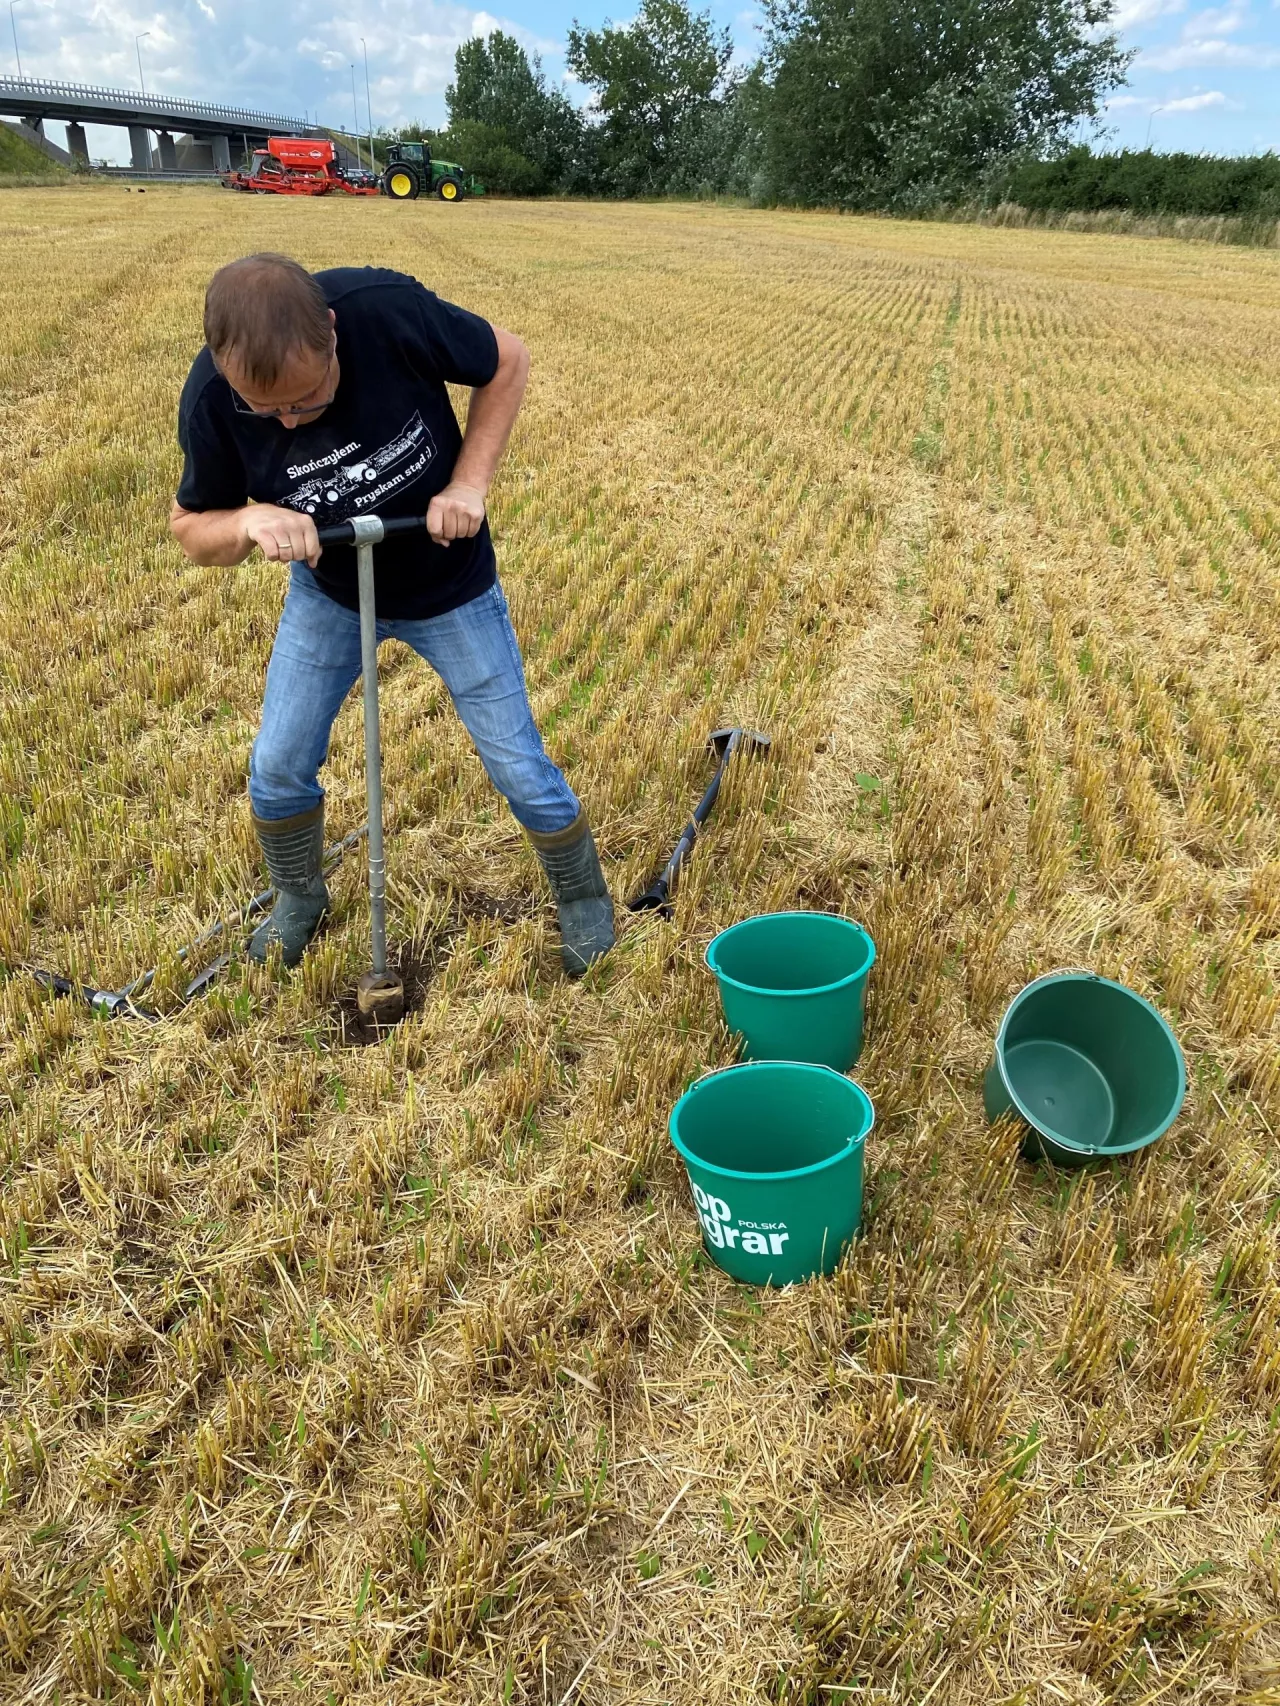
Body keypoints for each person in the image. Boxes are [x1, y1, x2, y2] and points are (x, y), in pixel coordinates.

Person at [170, 252, 613, 977]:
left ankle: (581, 894)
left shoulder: (388, 311)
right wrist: (250, 520)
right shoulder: (213, 401)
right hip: (332, 594)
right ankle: (297, 896)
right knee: (278, 766)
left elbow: (508, 361)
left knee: (516, 762)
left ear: (334, 334)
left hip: (449, 582)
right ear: (224, 368)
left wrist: (468, 485)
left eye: (307, 401)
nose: (287, 420)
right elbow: (191, 530)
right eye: (267, 409)